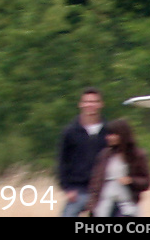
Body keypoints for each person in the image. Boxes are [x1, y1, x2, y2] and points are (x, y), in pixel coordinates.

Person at [58, 87, 107, 217]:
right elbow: (63, 162)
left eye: (94, 101)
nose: (90, 105)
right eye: (87, 101)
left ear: (101, 104)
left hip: (103, 189)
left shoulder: (109, 131)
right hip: (78, 189)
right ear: (81, 104)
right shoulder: (70, 132)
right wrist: (67, 188)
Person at [87, 119, 150, 216]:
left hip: (126, 205)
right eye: (108, 134)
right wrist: (92, 205)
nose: (109, 137)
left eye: (113, 134)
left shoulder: (136, 155)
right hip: (104, 205)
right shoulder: (104, 155)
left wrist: (131, 180)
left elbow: (146, 181)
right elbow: (95, 183)